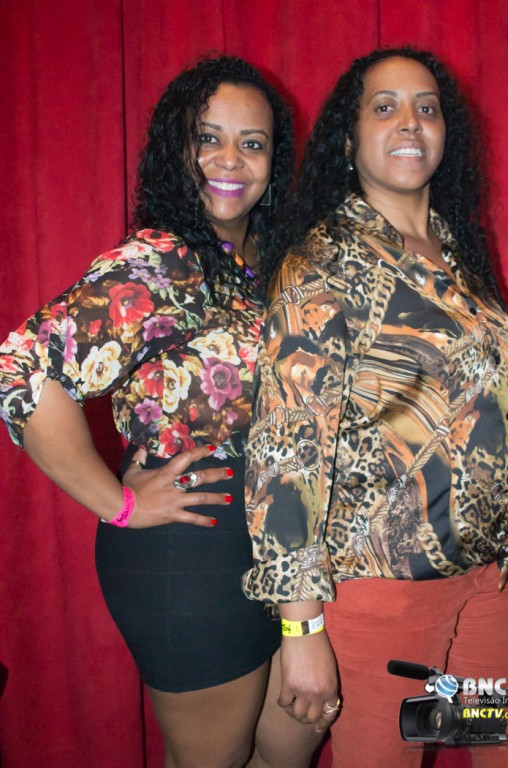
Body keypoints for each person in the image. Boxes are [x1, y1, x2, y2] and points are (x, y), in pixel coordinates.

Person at [243, 48, 508, 767]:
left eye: (426, 107)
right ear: (349, 139)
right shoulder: (323, 264)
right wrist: (301, 632)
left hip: (479, 585)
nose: (410, 122)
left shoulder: (455, 252)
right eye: (384, 107)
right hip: (381, 596)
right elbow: (285, 449)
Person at [0, 55, 293, 768]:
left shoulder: (256, 261)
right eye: (208, 137)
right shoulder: (163, 260)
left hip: (269, 542)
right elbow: (20, 369)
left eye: (252, 143)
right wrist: (120, 504)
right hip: (190, 552)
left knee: (283, 748)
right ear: (175, 149)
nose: (231, 159)